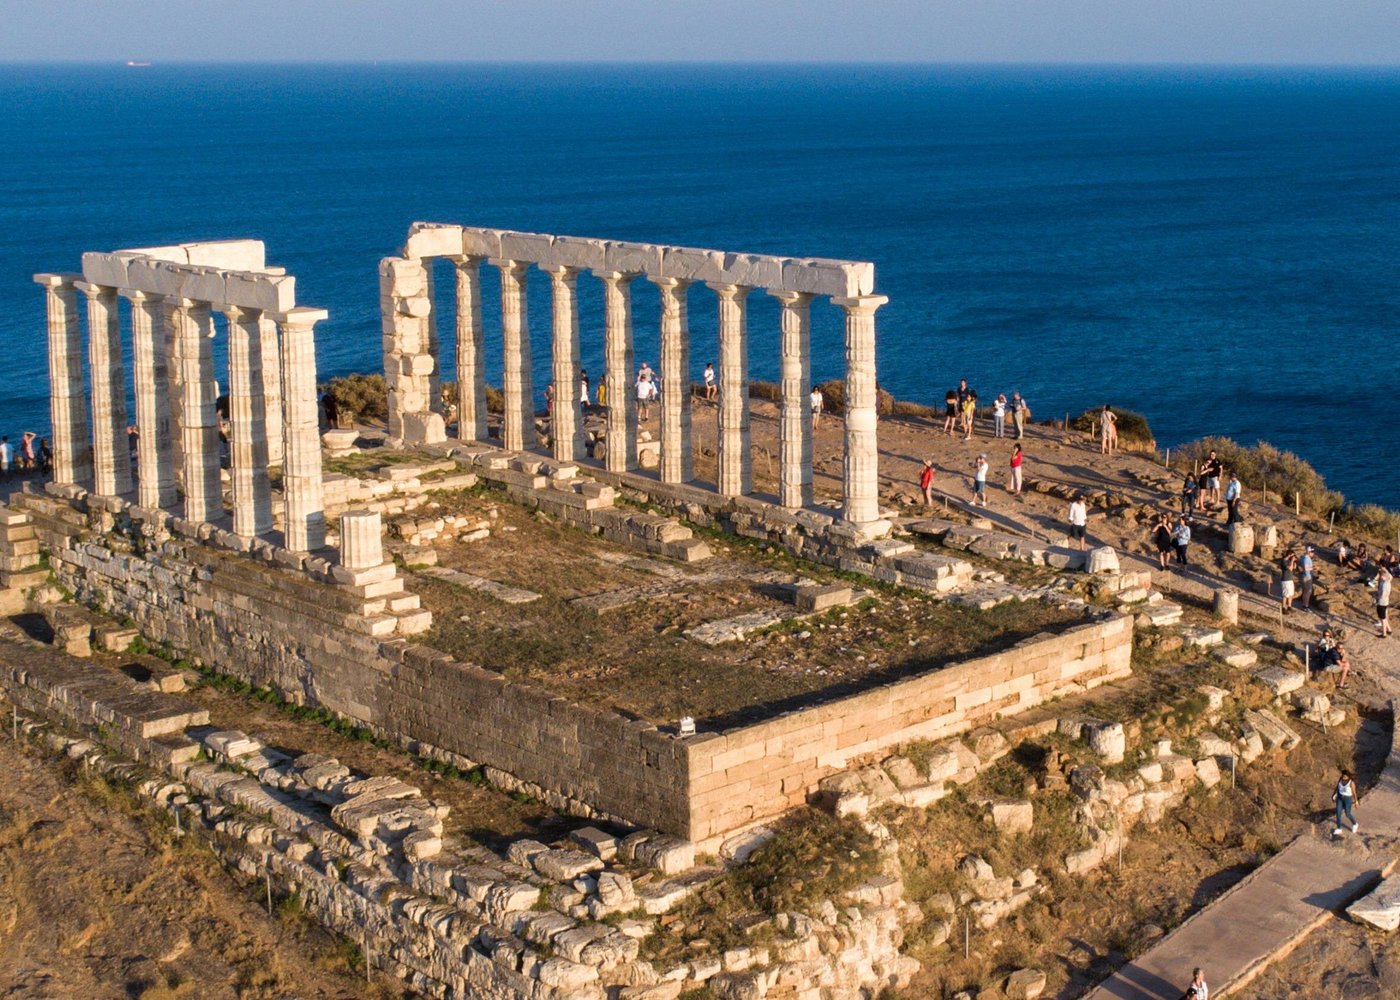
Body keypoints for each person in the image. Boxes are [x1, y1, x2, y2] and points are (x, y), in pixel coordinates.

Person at [1333, 770, 1358, 834]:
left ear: (1348, 776)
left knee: (1347, 814)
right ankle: (1339, 828)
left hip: (1348, 799)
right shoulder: (1340, 779)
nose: (1343, 777)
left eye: (1344, 776)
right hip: (1340, 798)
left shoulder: (1351, 782)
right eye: (1342, 776)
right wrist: (1334, 795)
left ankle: (1355, 824)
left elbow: (1354, 793)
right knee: (1338, 813)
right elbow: (1337, 788)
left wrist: (1356, 802)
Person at [1377, 564, 1393, 638]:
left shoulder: (1384, 585)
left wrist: (1376, 598)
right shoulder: (1388, 580)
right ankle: (1389, 629)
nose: (1380, 577)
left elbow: (1383, 595)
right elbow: (1390, 576)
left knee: (1382, 618)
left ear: (1384, 576)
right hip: (1386, 602)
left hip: (1381, 602)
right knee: (1384, 617)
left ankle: (1384, 634)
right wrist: (1383, 569)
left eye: (1381, 576)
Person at [1299, 545, 1316, 609]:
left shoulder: (1305, 558)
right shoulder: (1306, 558)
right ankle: (1305, 605)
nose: (1313, 553)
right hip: (1307, 576)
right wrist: (1313, 568)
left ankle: (1305, 604)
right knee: (1308, 591)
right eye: (1312, 552)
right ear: (1308, 552)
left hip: (1306, 576)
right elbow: (1306, 569)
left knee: (1306, 591)